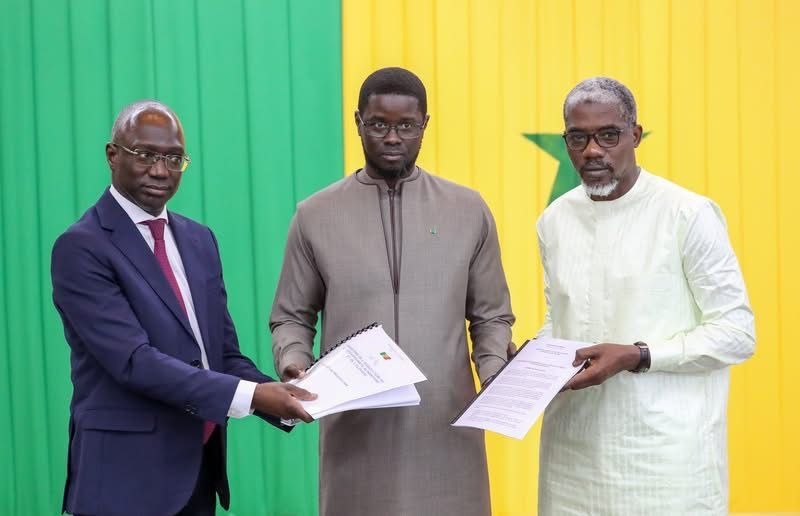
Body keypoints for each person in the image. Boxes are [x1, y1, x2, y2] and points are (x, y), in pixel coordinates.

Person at [269, 67, 515, 515]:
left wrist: (495, 372)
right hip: (355, 429)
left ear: (425, 125)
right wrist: (294, 366)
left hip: (447, 427)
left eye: (406, 125)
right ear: (358, 122)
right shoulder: (315, 214)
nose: (392, 137)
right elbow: (291, 316)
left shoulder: (468, 209)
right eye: (379, 124)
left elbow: (491, 315)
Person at [51, 100, 315, 516]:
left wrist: (299, 396)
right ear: (112, 155)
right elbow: (134, 362)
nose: (160, 171)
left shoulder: (199, 240)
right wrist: (255, 397)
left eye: (174, 158)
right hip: (123, 481)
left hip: (196, 474)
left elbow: (220, 354)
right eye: (146, 155)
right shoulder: (81, 247)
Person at [535, 77, 755, 515]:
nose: (592, 150)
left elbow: (737, 333)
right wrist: (533, 359)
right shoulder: (555, 219)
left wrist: (638, 354)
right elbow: (561, 319)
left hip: (665, 462)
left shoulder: (687, 214)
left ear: (634, 135)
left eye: (608, 135)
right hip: (571, 458)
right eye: (578, 138)